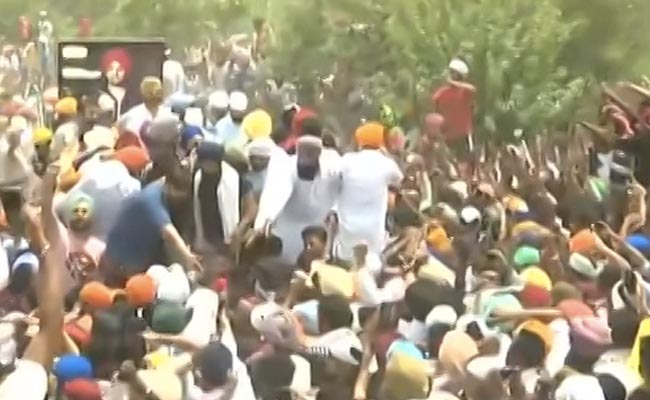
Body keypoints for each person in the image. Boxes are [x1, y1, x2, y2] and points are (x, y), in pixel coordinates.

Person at [255, 124, 341, 264]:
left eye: (312, 154)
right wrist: (265, 220)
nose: (308, 157)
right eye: (305, 153)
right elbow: (275, 195)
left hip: (317, 232)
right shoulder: (285, 167)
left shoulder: (331, 168)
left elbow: (341, 190)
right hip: (288, 228)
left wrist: (334, 211)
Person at [101, 168, 200, 286]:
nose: (180, 196)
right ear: (168, 185)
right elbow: (169, 233)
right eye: (177, 191)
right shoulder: (151, 200)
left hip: (141, 249)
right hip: (123, 259)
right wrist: (188, 258)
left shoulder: (162, 185)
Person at [333, 122, 403, 261]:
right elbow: (399, 179)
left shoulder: (347, 160)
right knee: (372, 260)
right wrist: (386, 154)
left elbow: (335, 175)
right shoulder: (387, 163)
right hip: (373, 233)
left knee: (345, 255)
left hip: (348, 230)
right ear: (381, 141)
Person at [189, 141, 257, 255]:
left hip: (231, 235)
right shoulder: (198, 178)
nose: (207, 166)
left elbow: (251, 209)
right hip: (208, 236)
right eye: (205, 162)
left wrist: (240, 229)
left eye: (211, 163)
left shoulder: (235, 180)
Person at [431, 58, 476, 156]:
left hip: (463, 134)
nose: (450, 74)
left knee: (466, 160)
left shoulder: (465, 91)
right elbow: (434, 107)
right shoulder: (442, 92)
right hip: (446, 136)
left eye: (453, 72)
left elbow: (472, 89)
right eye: (450, 72)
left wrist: (452, 83)